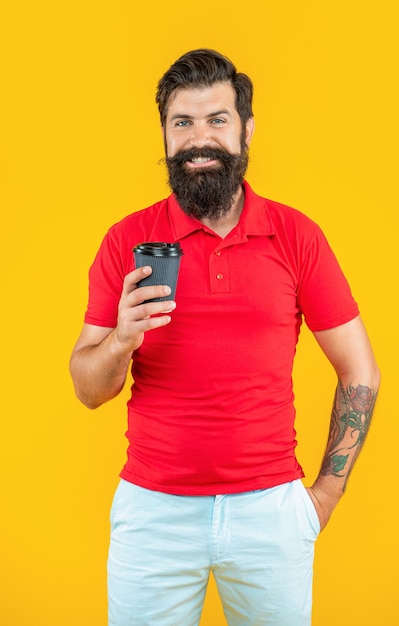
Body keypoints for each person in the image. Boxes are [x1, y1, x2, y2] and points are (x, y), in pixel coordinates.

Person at [70, 49, 380, 626]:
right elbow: (88, 389)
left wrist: (325, 497)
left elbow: (360, 370)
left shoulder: (296, 236)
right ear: (164, 134)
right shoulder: (127, 241)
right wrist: (120, 340)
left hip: (271, 509)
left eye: (217, 120)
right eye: (181, 123)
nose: (199, 139)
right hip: (153, 512)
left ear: (246, 129)